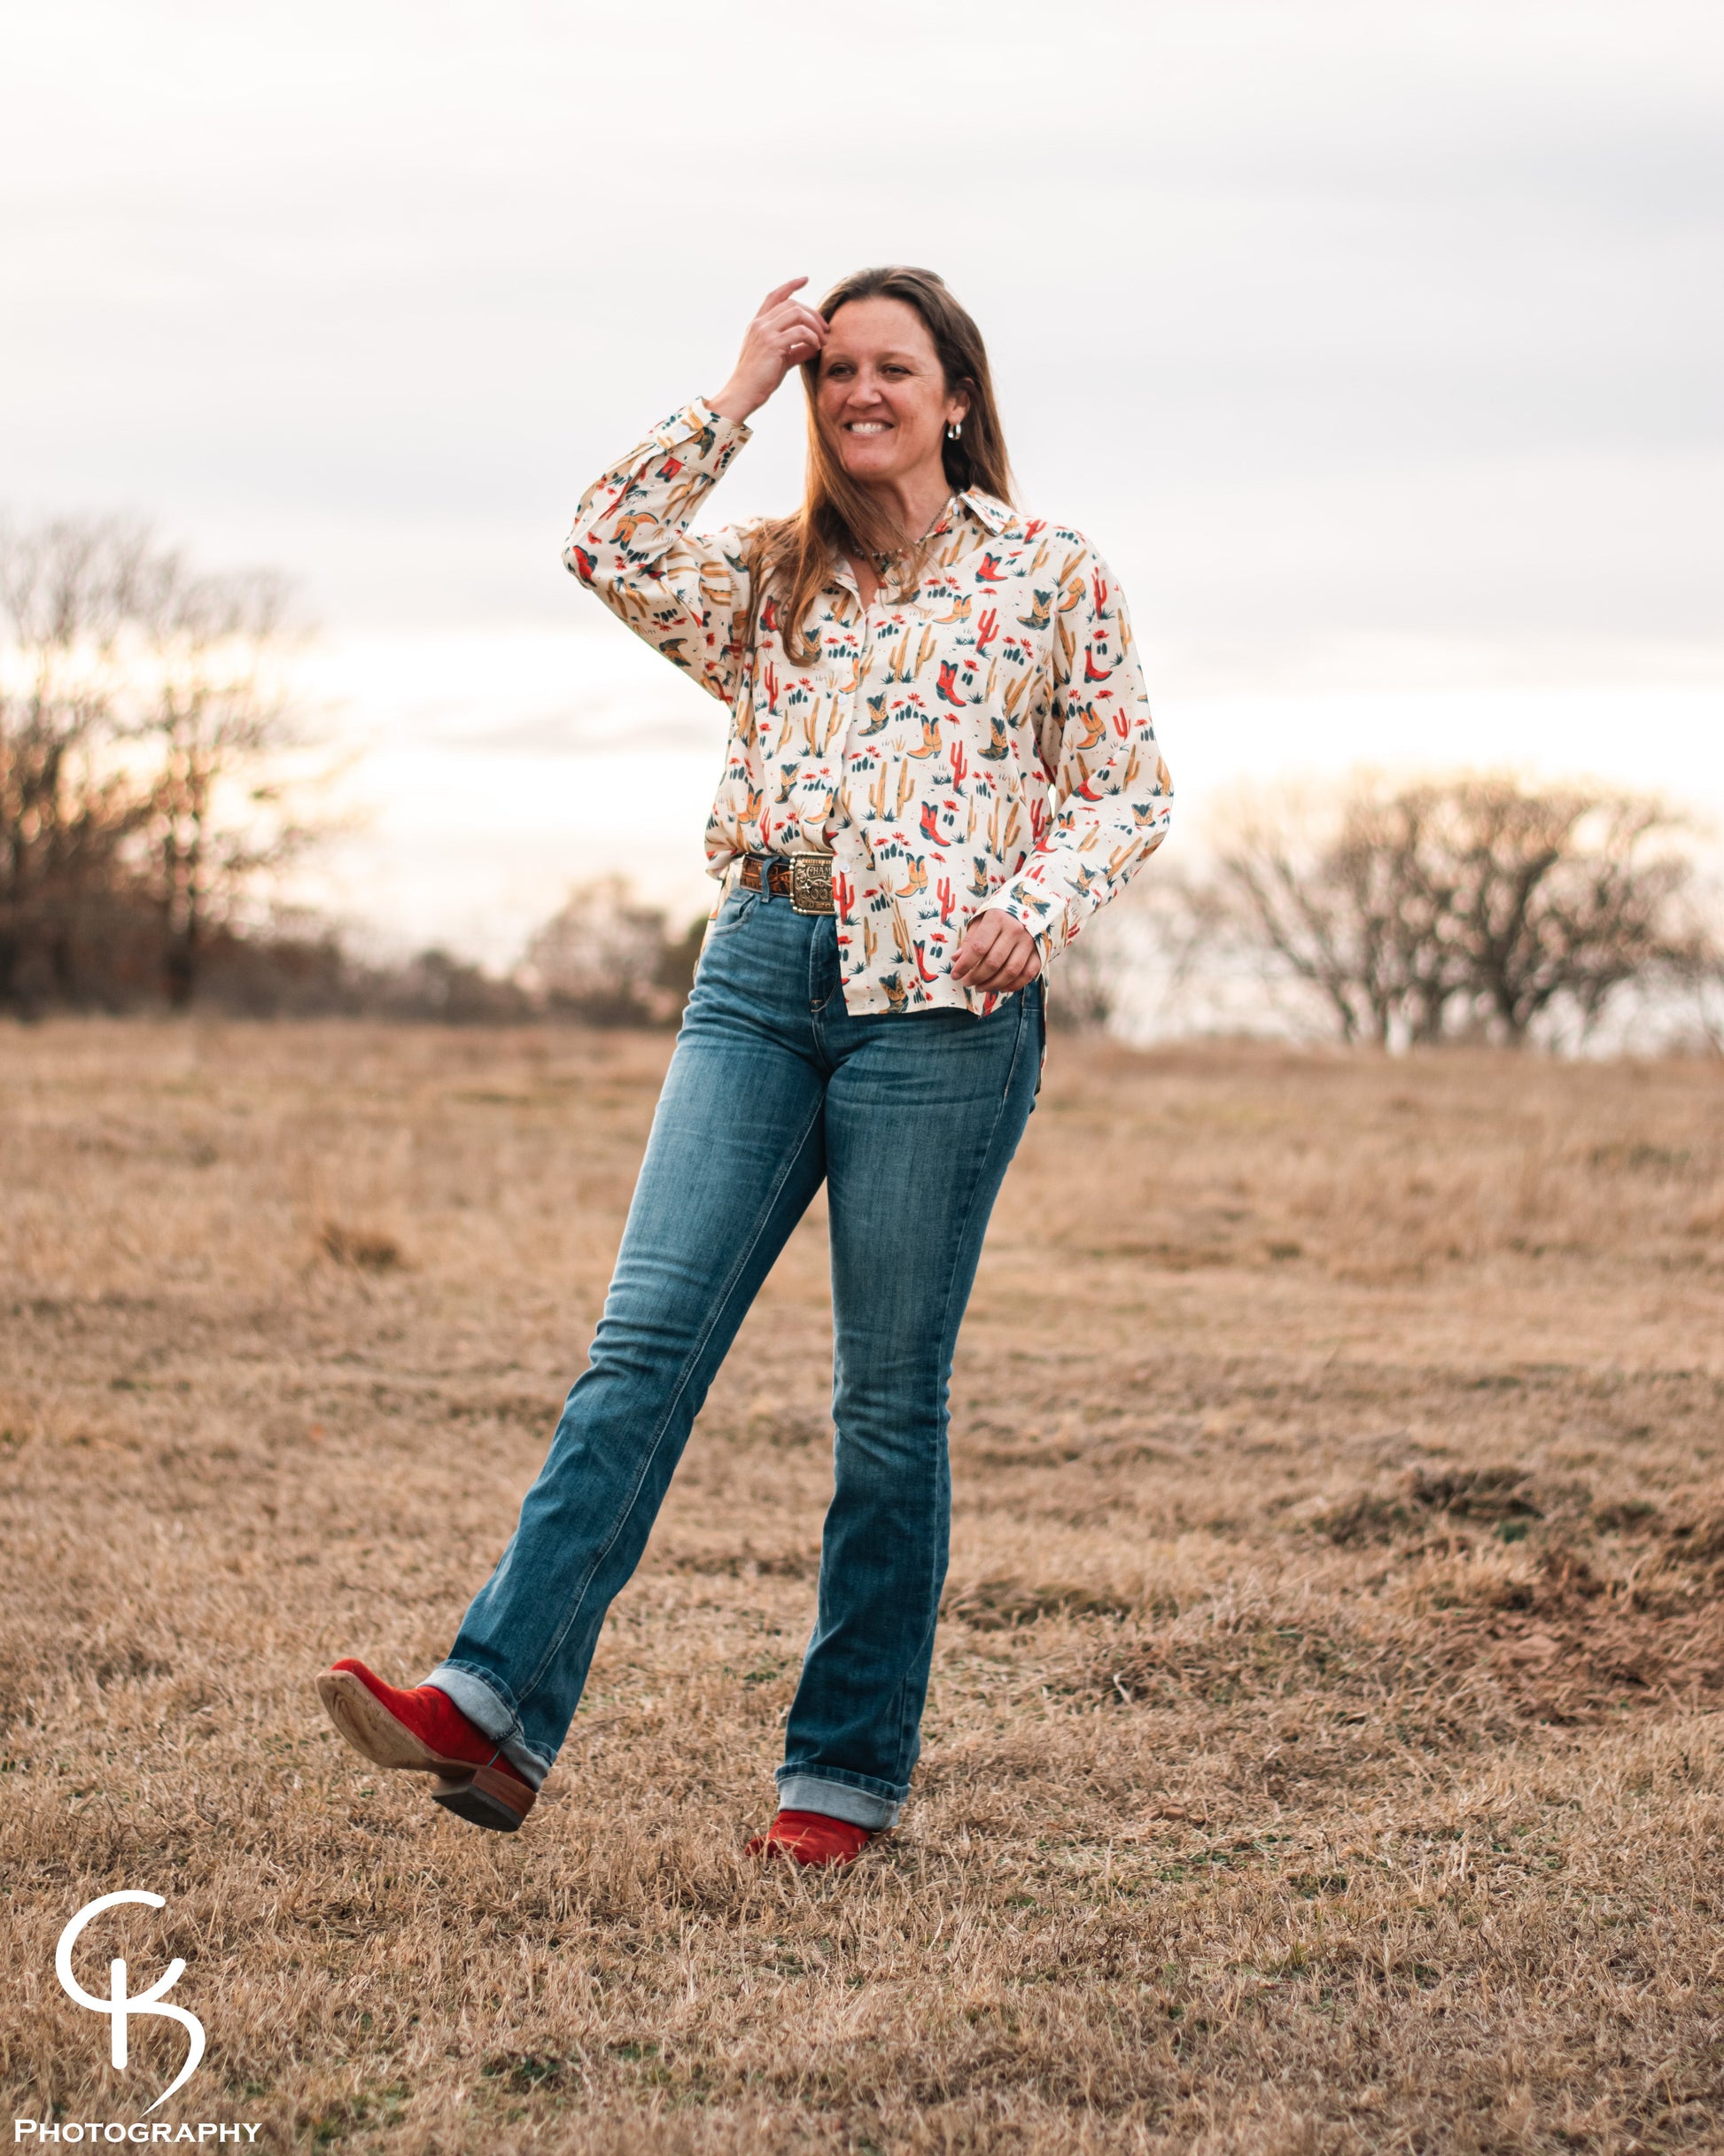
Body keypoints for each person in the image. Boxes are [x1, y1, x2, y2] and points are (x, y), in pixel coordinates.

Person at [316, 267, 1173, 1865]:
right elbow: (603, 544)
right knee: (639, 1345)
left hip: (941, 1011)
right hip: (761, 971)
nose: (856, 392)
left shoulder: (1048, 575)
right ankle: (491, 1706)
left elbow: (1125, 790)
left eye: (889, 368)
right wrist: (730, 390)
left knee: (884, 1406)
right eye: (830, 369)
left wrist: (1029, 908)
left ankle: (841, 1778)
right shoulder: (774, 582)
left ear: (957, 396)